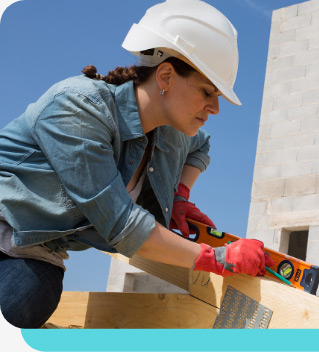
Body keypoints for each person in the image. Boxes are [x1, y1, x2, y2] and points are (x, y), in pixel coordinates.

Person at [0, 0, 273, 329]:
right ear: (167, 76)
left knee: (29, 302)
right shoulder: (77, 107)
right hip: (7, 222)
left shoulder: (173, 133)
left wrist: (181, 195)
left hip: (38, 248)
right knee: (20, 303)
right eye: (207, 91)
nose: (215, 107)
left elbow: (201, 147)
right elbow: (121, 224)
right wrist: (217, 259)